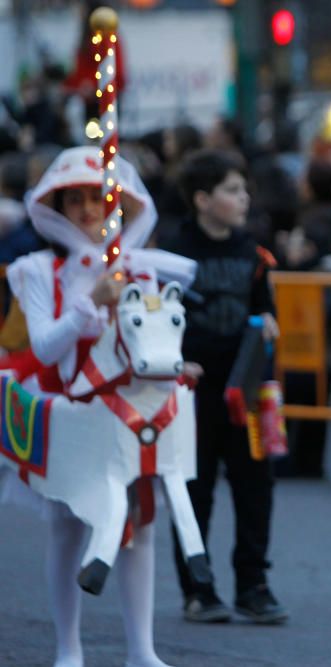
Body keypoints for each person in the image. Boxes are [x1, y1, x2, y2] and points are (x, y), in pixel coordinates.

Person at [1, 146, 195, 667]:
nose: (89, 209)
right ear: (57, 208)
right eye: (76, 199)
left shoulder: (145, 268)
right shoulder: (38, 271)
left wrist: (178, 366)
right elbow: (43, 347)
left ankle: (141, 650)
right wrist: (92, 303)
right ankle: (69, 648)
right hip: (69, 411)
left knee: (140, 525)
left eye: (99, 198)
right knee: (67, 525)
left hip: (134, 417)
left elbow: (156, 342)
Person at [157, 149, 288, 625]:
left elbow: (264, 309)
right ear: (202, 199)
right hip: (192, 391)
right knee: (195, 488)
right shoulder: (171, 254)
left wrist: (268, 333)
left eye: (243, 189)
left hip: (247, 387)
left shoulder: (253, 253)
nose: (243, 198)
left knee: (256, 487)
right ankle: (199, 587)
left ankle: (253, 583)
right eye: (232, 190)